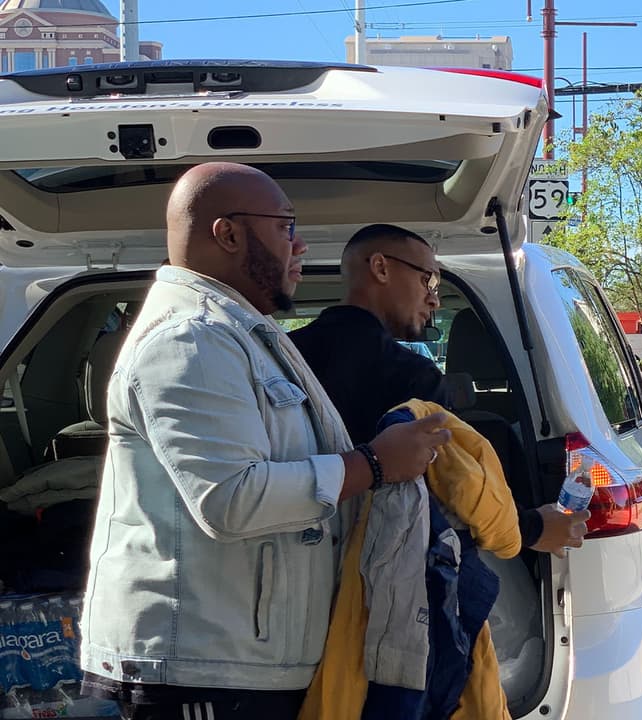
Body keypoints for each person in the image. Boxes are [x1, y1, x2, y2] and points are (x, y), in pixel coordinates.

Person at [79, 163, 452, 720]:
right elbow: (232, 499)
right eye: (285, 226)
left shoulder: (238, 334)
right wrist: (375, 464)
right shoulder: (192, 338)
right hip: (198, 672)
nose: (299, 244)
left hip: (238, 664)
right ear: (227, 234)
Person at [290, 224, 588, 556]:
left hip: (289, 553)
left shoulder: (285, 356)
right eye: (428, 279)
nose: (433, 298)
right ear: (380, 268)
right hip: (384, 565)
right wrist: (533, 529)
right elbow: (456, 486)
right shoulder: (414, 377)